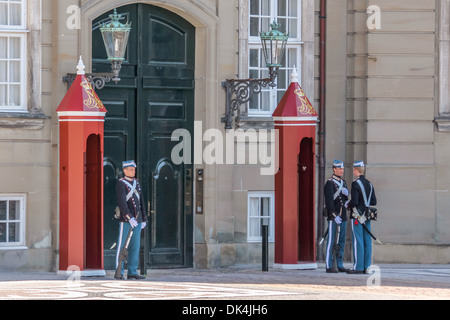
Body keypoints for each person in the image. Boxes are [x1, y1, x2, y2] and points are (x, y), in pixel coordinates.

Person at [115, 160, 147, 280]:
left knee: (135, 246)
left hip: (137, 220)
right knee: (122, 247)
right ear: (124, 170)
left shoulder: (136, 183)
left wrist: (143, 218)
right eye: (131, 169)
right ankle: (119, 271)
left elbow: (141, 201)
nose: (133, 171)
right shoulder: (121, 183)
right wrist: (129, 217)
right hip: (127, 220)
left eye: (134, 169)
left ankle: (132, 271)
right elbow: (122, 203)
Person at [346, 160, 377, 274]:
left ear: (355, 170)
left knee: (357, 240)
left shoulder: (355, 183)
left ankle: (358, 267)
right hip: (367, 216)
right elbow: (374, 200)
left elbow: (354, 201)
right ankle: (366, 266)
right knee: (367, 240)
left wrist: (348, 204)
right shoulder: (369, 183)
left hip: (357, 216)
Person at [324, 159, 349, 273]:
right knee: (331, 241)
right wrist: (334, 215)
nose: (341, 171)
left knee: (341, 241)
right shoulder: (329, 183)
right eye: (339, 169)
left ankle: (340, 263)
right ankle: (329, 265)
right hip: (334, 216)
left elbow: (344, 200)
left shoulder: (343, 182)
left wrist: (347, 194)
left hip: (343, 215)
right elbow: (329, 202)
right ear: (334, 169)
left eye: (342, 169)